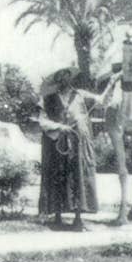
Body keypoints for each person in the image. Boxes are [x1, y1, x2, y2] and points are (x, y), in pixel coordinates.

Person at [36, 67, 118, 231]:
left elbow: (101, 102)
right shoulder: (48, 98)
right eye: (61, 75)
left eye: (67, 75)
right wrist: (59, 126)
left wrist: (111, 84)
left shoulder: (80, 95)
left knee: (79, 176)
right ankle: (57, 217)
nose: (65, 78)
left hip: (78, 142)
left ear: (70, 77)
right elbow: (42, 121)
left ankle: (78, 219)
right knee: (58, 176)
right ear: (57, 79)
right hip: (58, 143)